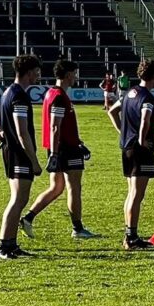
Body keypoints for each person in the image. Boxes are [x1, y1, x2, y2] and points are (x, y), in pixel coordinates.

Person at [19, 58, 96, 241]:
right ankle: (77, 228)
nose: (76, 77)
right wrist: (55, 153)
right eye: (75, 74)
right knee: (74, 187)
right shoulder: (59, 96)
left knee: (56, 187)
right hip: (64, 149)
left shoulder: (51, 93)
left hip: (60, 147)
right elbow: (55, 127)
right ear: (69, 74)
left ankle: (28, 218)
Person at [0, 54, 43, 259]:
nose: (38, 76)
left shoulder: (7, 92)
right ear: (29, 72)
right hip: (19, 154)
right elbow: (22, 132)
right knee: (18, 200)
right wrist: (34, 161)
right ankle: (3, 247)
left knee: (18, 199)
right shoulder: (19, 95)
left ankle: (10, 245)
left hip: (10, 152)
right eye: (36, 72)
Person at [107, 59, 154, 250]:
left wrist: (123, 131)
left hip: (126, 147)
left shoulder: (130, 93)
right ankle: (131, 237)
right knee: (137, 194)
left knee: (131, 193)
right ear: (153, 76)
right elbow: (146, 120)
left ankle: (129, 234)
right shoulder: (147, 97)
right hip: (140, 150)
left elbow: (112, 112)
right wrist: (141, 139)